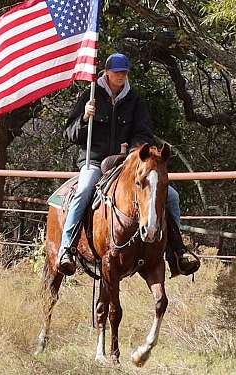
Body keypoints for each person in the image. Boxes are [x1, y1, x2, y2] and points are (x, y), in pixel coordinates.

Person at [57, 52, 200, 277]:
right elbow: (68, 133)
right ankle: (67, 249)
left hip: (126, 164)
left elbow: (144, 133)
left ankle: (176, 251)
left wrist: (134, 151)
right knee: (84, 189)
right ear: (107, 72)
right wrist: (84, 118)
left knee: (171, 196)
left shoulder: (134, 100)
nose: (121, 76)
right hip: (93, 161)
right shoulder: (91, 95)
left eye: (124, 72)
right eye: (117, 72)